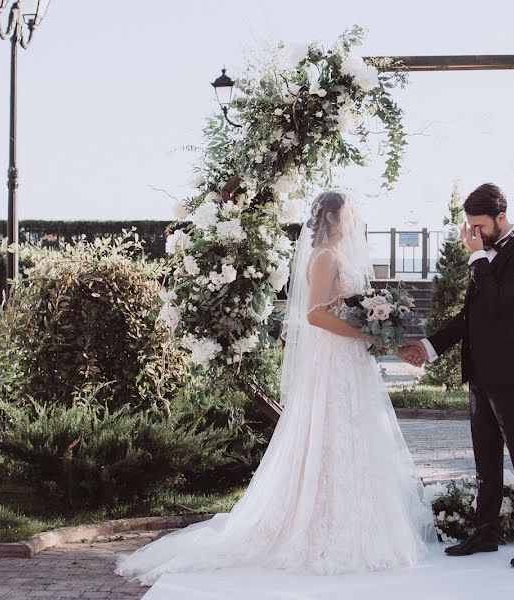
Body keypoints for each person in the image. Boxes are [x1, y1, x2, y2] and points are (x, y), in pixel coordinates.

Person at [115, 191, 437, 585]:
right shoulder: (325, 258)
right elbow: (315, 314)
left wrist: (375, 329)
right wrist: (365, 331)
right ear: (334, 217)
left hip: (349, 360)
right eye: (350, 213)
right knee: (330, 432)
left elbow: (345, 308)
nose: (355, 221)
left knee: (354, 434)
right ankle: (318, 524)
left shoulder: (340, 257)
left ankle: (358, 518)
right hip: (334, 359)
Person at [399, 183, 514, 568]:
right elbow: (472, 317)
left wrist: (478, 256)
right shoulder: (482, 255)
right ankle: (485, 533)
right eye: (469, 226)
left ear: (501, 218)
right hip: (481, 372)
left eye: (479, 226)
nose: (473, 234)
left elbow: (499, 305)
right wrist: (428, 348)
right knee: (485, 460)